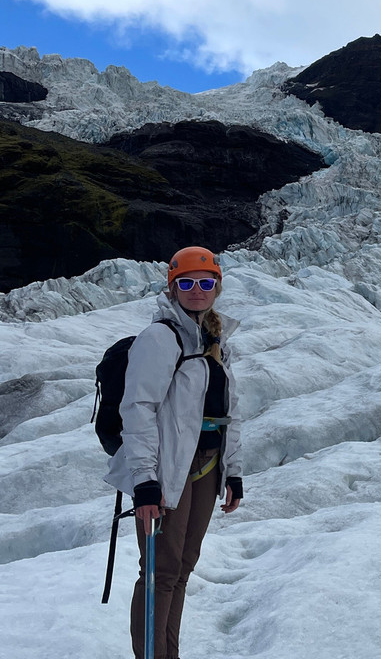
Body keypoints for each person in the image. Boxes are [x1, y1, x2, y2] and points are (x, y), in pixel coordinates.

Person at [104, 246, 243, 659]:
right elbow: (138, 410)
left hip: (206, 467)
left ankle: (168, 653)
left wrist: (233, 472)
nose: (196, 290)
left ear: (217, 287)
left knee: (181, 570)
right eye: (186, 282)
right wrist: (145, 482)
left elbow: (228, 412)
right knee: (160, 573)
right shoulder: (159, 338)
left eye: (205, 282)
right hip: (165, 473)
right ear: (172, 287)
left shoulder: (216, 340)